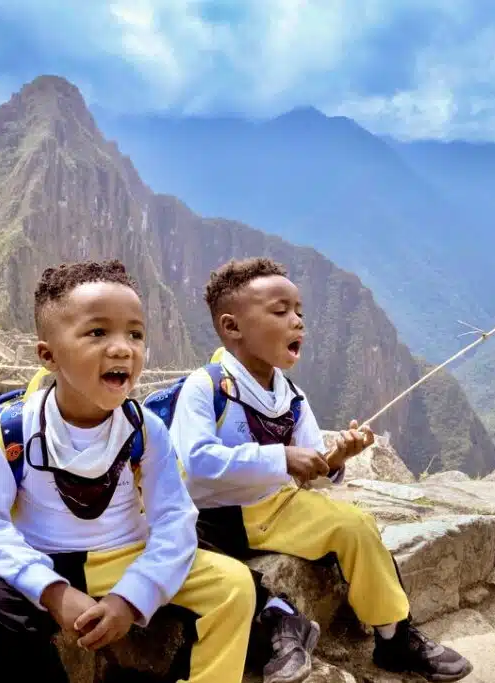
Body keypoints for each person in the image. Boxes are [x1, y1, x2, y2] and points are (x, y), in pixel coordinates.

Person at [0, 260, 256, 683]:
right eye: (98, 333)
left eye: (135, 333)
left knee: (235, 585)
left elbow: (174, 519)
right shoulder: (14, 430)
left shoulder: (145, 430)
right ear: (48, 355)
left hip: (125, 555)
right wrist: (52, 592)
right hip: (45, 560)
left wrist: (131, 598)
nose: (122, 348)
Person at [168, 257, 473, 682]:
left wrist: (336, 459)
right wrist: (281, 457)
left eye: (299, 313)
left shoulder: (291, 396)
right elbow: (197, 460)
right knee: (179, 552)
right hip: (211, 517)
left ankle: (394, 636)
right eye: (280, 312)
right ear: (232, 327)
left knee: (355, 526)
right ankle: (276, 619)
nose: (297, 323)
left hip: (275, 504)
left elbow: (314, 463)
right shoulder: (206, 387)